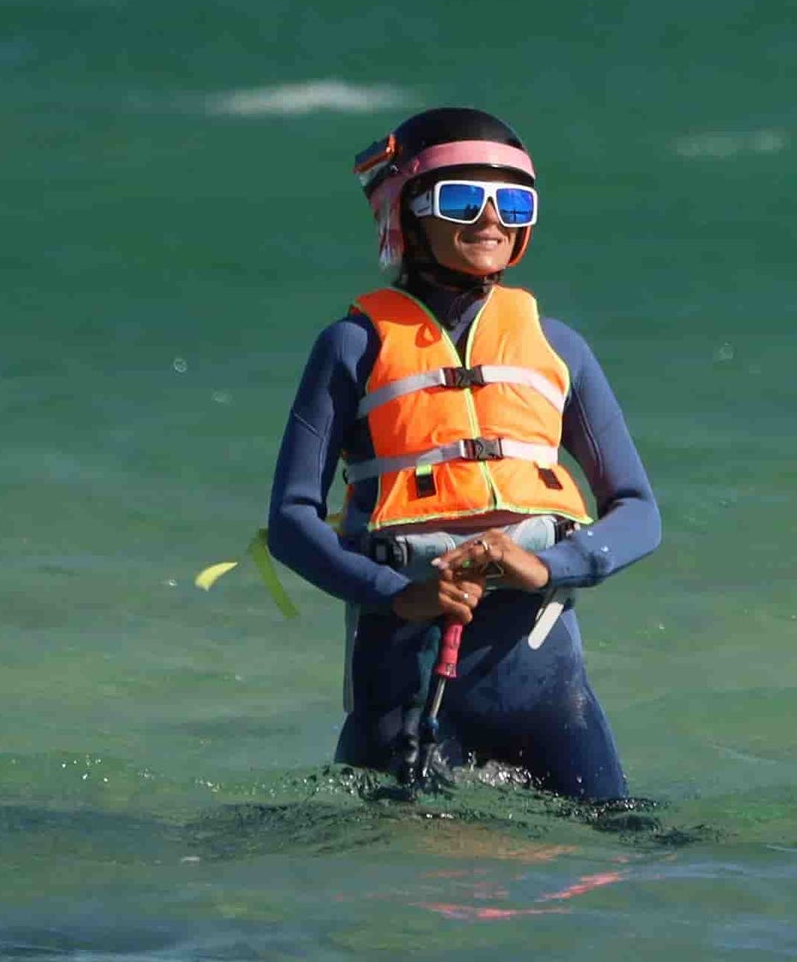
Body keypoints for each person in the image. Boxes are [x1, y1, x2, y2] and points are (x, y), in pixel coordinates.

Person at [261, 107, 660, 800]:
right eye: (460, 198)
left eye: (512, 202)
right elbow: (292, 523)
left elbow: (639, 513)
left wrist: (544, 565)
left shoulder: (558, 348)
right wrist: (401, 594)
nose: (490, 219)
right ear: (405, 215)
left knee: (628, 855)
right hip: (401, 694)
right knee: (390, 888)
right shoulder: (352, 347)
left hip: (549, 700)